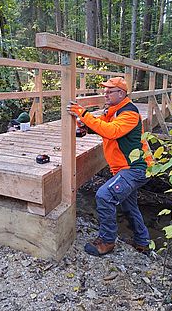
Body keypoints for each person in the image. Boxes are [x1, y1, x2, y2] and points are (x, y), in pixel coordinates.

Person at [67, 76, 153, 256]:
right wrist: (86, 127)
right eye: (104, 90)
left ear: (121, 93)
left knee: (105, 196)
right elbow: (103, 126)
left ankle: (107, 241)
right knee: (129, 206)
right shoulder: (113, 110)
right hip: (125, 168)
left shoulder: (129, 113)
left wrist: (83, 113)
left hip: (136, 168)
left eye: (109, 91)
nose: (104, 94)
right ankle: (143, 242)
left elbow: (111, 131)